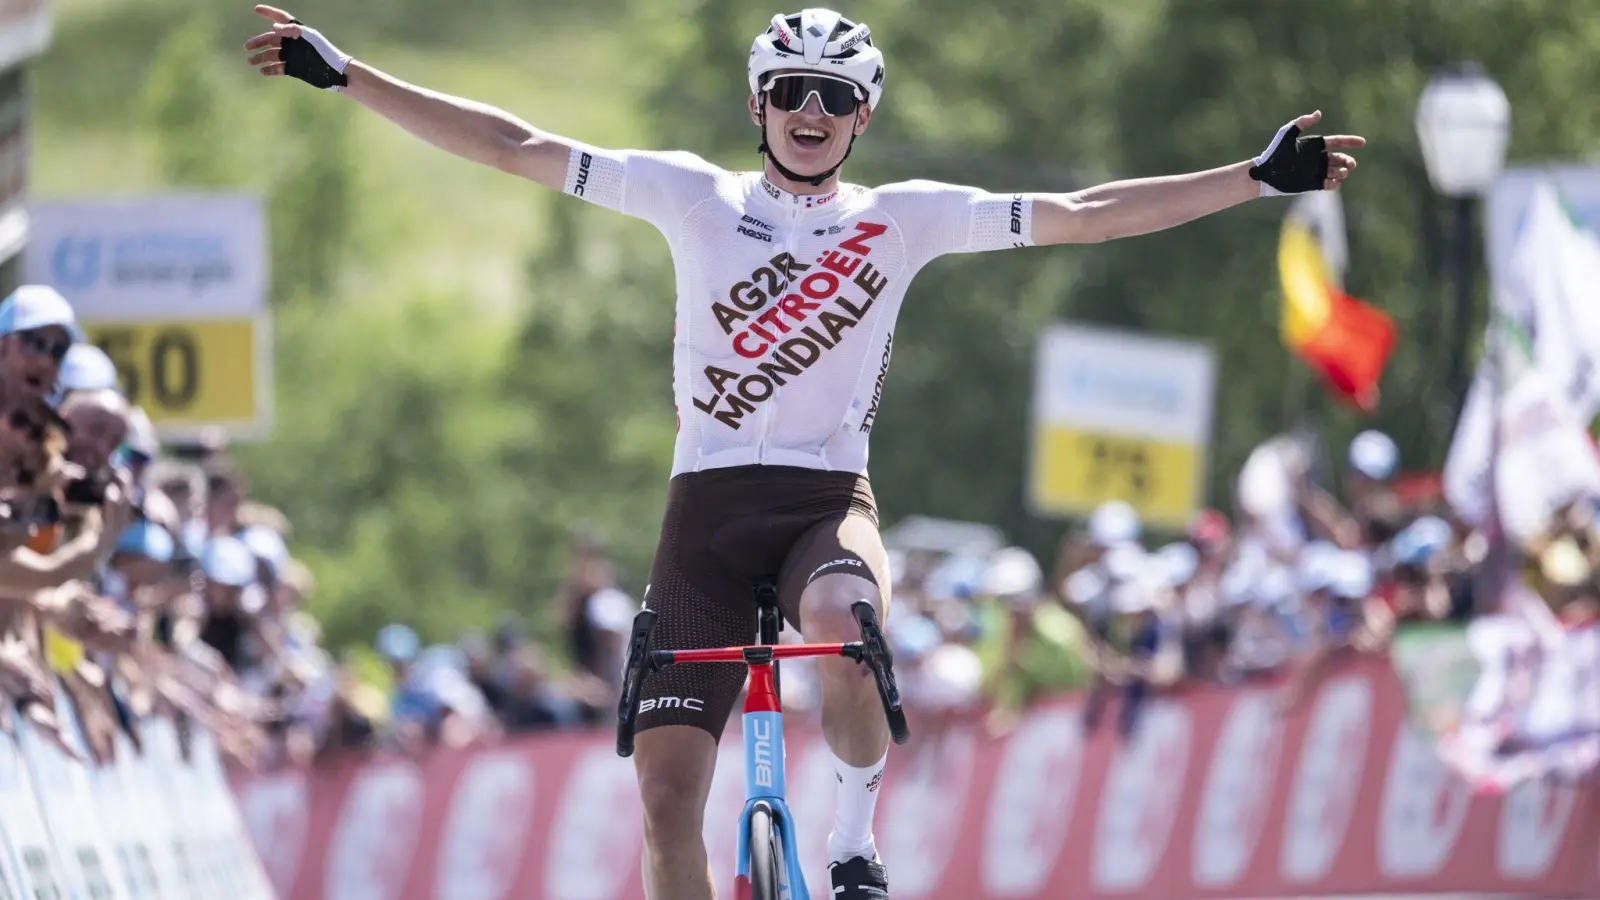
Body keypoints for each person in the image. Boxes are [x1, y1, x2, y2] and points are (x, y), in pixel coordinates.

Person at [244, 6, 1364, 896]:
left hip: (826, 502)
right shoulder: (691, 195)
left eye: (836, 96)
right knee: (666, 802)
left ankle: (852, 846)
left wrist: (1251, 181)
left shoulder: (905, 216)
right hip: (705, 520)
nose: (811, 111)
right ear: (758, 103)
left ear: (862, 114)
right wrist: (351, 78)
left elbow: (1082, 211)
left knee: (852, 630)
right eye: (792, 92)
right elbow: (516, 145)